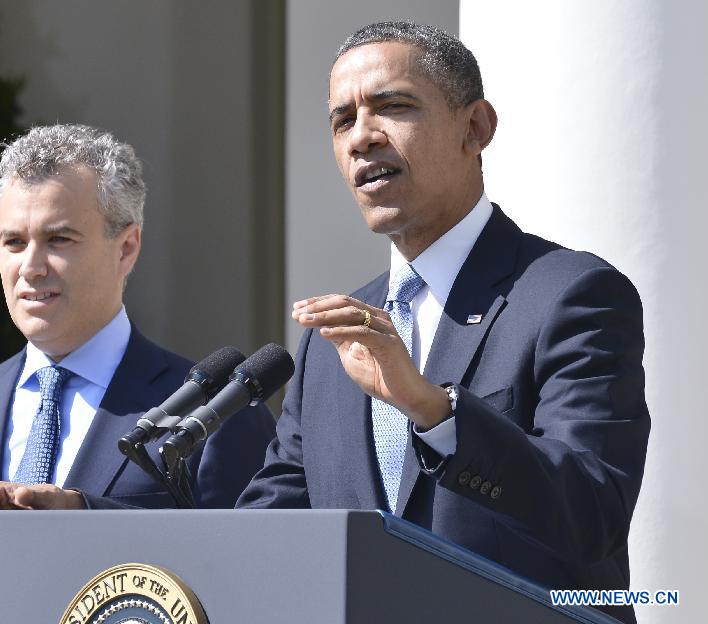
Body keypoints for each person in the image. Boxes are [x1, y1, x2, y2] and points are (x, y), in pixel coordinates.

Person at [233, 21, 649, 623]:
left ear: (474, 128)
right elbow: (262, 532)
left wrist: (436, 411)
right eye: (341, 120)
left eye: (391, 106)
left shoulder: (571, 294)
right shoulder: (332, 344)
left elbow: (593, 512)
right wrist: (95, 517)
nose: (361, 138)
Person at [0, 124, 276, 623]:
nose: (31, 267)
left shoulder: (216, 412)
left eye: (58, 239)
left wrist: (82, 512)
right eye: (13, 242)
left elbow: (257, 587)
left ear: (126, 248)